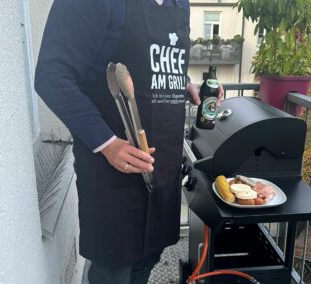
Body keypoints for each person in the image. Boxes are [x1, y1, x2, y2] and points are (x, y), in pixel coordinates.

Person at [35, 0, 223, 283]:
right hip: (112, 180)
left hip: (163, 170)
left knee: (149, 259)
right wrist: (108, 143)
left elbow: (152, 59)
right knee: (112, 272)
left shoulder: (179, 4)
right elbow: (51, 75)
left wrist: (182, 83)